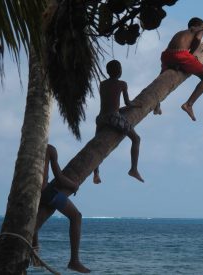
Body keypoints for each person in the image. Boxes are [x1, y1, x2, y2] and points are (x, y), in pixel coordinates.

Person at [33, 144, 90, 273]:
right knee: (76, 216)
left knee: (34, 220)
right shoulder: (49, 149)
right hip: (44, 193)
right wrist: (74, 186)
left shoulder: (28, 147)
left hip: (27, 194)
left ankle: (34, 254)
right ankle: (74, 261)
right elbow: (59, 177)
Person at [93, 60, 144, 184]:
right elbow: (128, 103)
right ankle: (133, 169)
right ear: (120, 71)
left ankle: (96, 174)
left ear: (108, 72)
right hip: (113, 117)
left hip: (101, 118)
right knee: (136, 139)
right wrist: (136, 105)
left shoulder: (102, 84)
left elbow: (110, 103)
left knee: (96, 144)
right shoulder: (122, 84)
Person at [153, 17, 203, 121]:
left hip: (167, 55)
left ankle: (156, 104)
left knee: (161, 79)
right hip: (180, 55)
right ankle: (188, 105)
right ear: (199, 26)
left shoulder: (181, 32)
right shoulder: (197, 30)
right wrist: (191, 53)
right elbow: (197, 39)